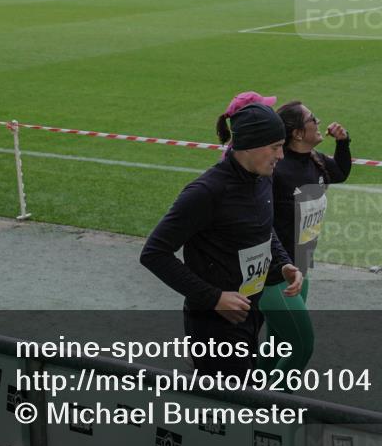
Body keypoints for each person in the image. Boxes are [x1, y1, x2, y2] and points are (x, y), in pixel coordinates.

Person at [140, 102, 303, 375]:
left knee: (239, 402)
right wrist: (214, 298)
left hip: (250, 311)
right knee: (229, 408)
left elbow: (263, 227)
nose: (281, 155)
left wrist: (283, 263)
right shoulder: (206, 192)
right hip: (214, 323)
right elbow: (154, 253)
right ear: (250, 144)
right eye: (275, 147)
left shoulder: (262, 178)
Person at [259, 100, 351, 374]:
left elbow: (341, 172)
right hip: (273, 275)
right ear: (298, 133)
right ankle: (275, 408)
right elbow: (260, 222)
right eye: (313, 118)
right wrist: (281, 262)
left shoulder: (315, 161)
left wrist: (343, 143)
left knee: (277, 343)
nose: (319, 121)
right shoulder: (278, 171)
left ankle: (250, 392)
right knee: (301, 344)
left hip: (300, 268)